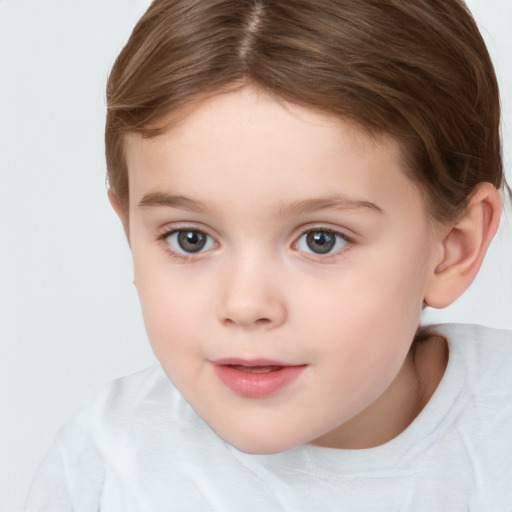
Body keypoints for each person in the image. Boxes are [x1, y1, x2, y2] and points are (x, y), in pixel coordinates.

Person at [26, 0, 512, 510]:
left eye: (321, 240)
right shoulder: (106, 468)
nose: (245, 304)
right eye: (189, 238)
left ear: (453, 250)